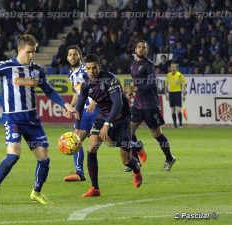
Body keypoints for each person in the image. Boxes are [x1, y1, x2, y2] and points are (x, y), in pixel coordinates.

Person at [0, 34, 75, 205]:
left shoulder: (37, 70)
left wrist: (65, 105)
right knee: (14, 154)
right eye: (29, 52)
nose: (32, 55)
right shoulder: (7, 66)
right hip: (13, 119)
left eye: (34, 52)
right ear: (20, 50)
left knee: (44, 159)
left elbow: (49, 90)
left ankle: (36, 192)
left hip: (32, 120)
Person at [73, 54, 146, 197]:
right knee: (92, 147)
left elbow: (118, 104)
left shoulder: (110, 79)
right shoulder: (86, 85)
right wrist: (76, 127)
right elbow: (79, 107)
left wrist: (108, 124)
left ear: (99, 66)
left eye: (94, 67)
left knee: (126, 160)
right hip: (102, 117)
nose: (92, 71)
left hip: (121, 118)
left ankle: (136, 167)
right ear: (85, 69)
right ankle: (95, 188)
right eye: (88, 68)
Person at [127, 40, 176, 171]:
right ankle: (135, 161)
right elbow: (135, 82)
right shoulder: (133, 64)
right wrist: (131, 92)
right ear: (135, 49)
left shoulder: (149, 65)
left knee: (157, 134)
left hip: (150, 105)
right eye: (139, 47)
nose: (142, 49)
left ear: (147, 51)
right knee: (128, 132)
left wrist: (135, 89)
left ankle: (170, 158)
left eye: (144, 47)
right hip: (137, 105)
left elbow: (152, 84)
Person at [64, 45, 98, 182]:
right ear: (67, 57)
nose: (72, 57)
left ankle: (135, 146)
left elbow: (97, 86)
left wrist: (93, 102)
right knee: (75, 140)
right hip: (83, 112)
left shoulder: (86, 70)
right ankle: (79, 173)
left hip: (95, 110)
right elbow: (76, 94)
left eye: (75, 54)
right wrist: (70, 107)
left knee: (109, 141)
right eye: (70, 54)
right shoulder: (71, 75)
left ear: (80, 56)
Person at [165, 62, 187, 128]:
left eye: (174, 67)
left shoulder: (179, 75)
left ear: (176, 68)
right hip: (171, 93)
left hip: (177, 92)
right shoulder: (168, 75)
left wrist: (183, 93)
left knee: (178, 110)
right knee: (172, 110)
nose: (173, 68)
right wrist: (166, 94)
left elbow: (184, 83)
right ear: (170, 68)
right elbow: (166, 85)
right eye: (172, 67)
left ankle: (180, 125)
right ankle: (175, 125)